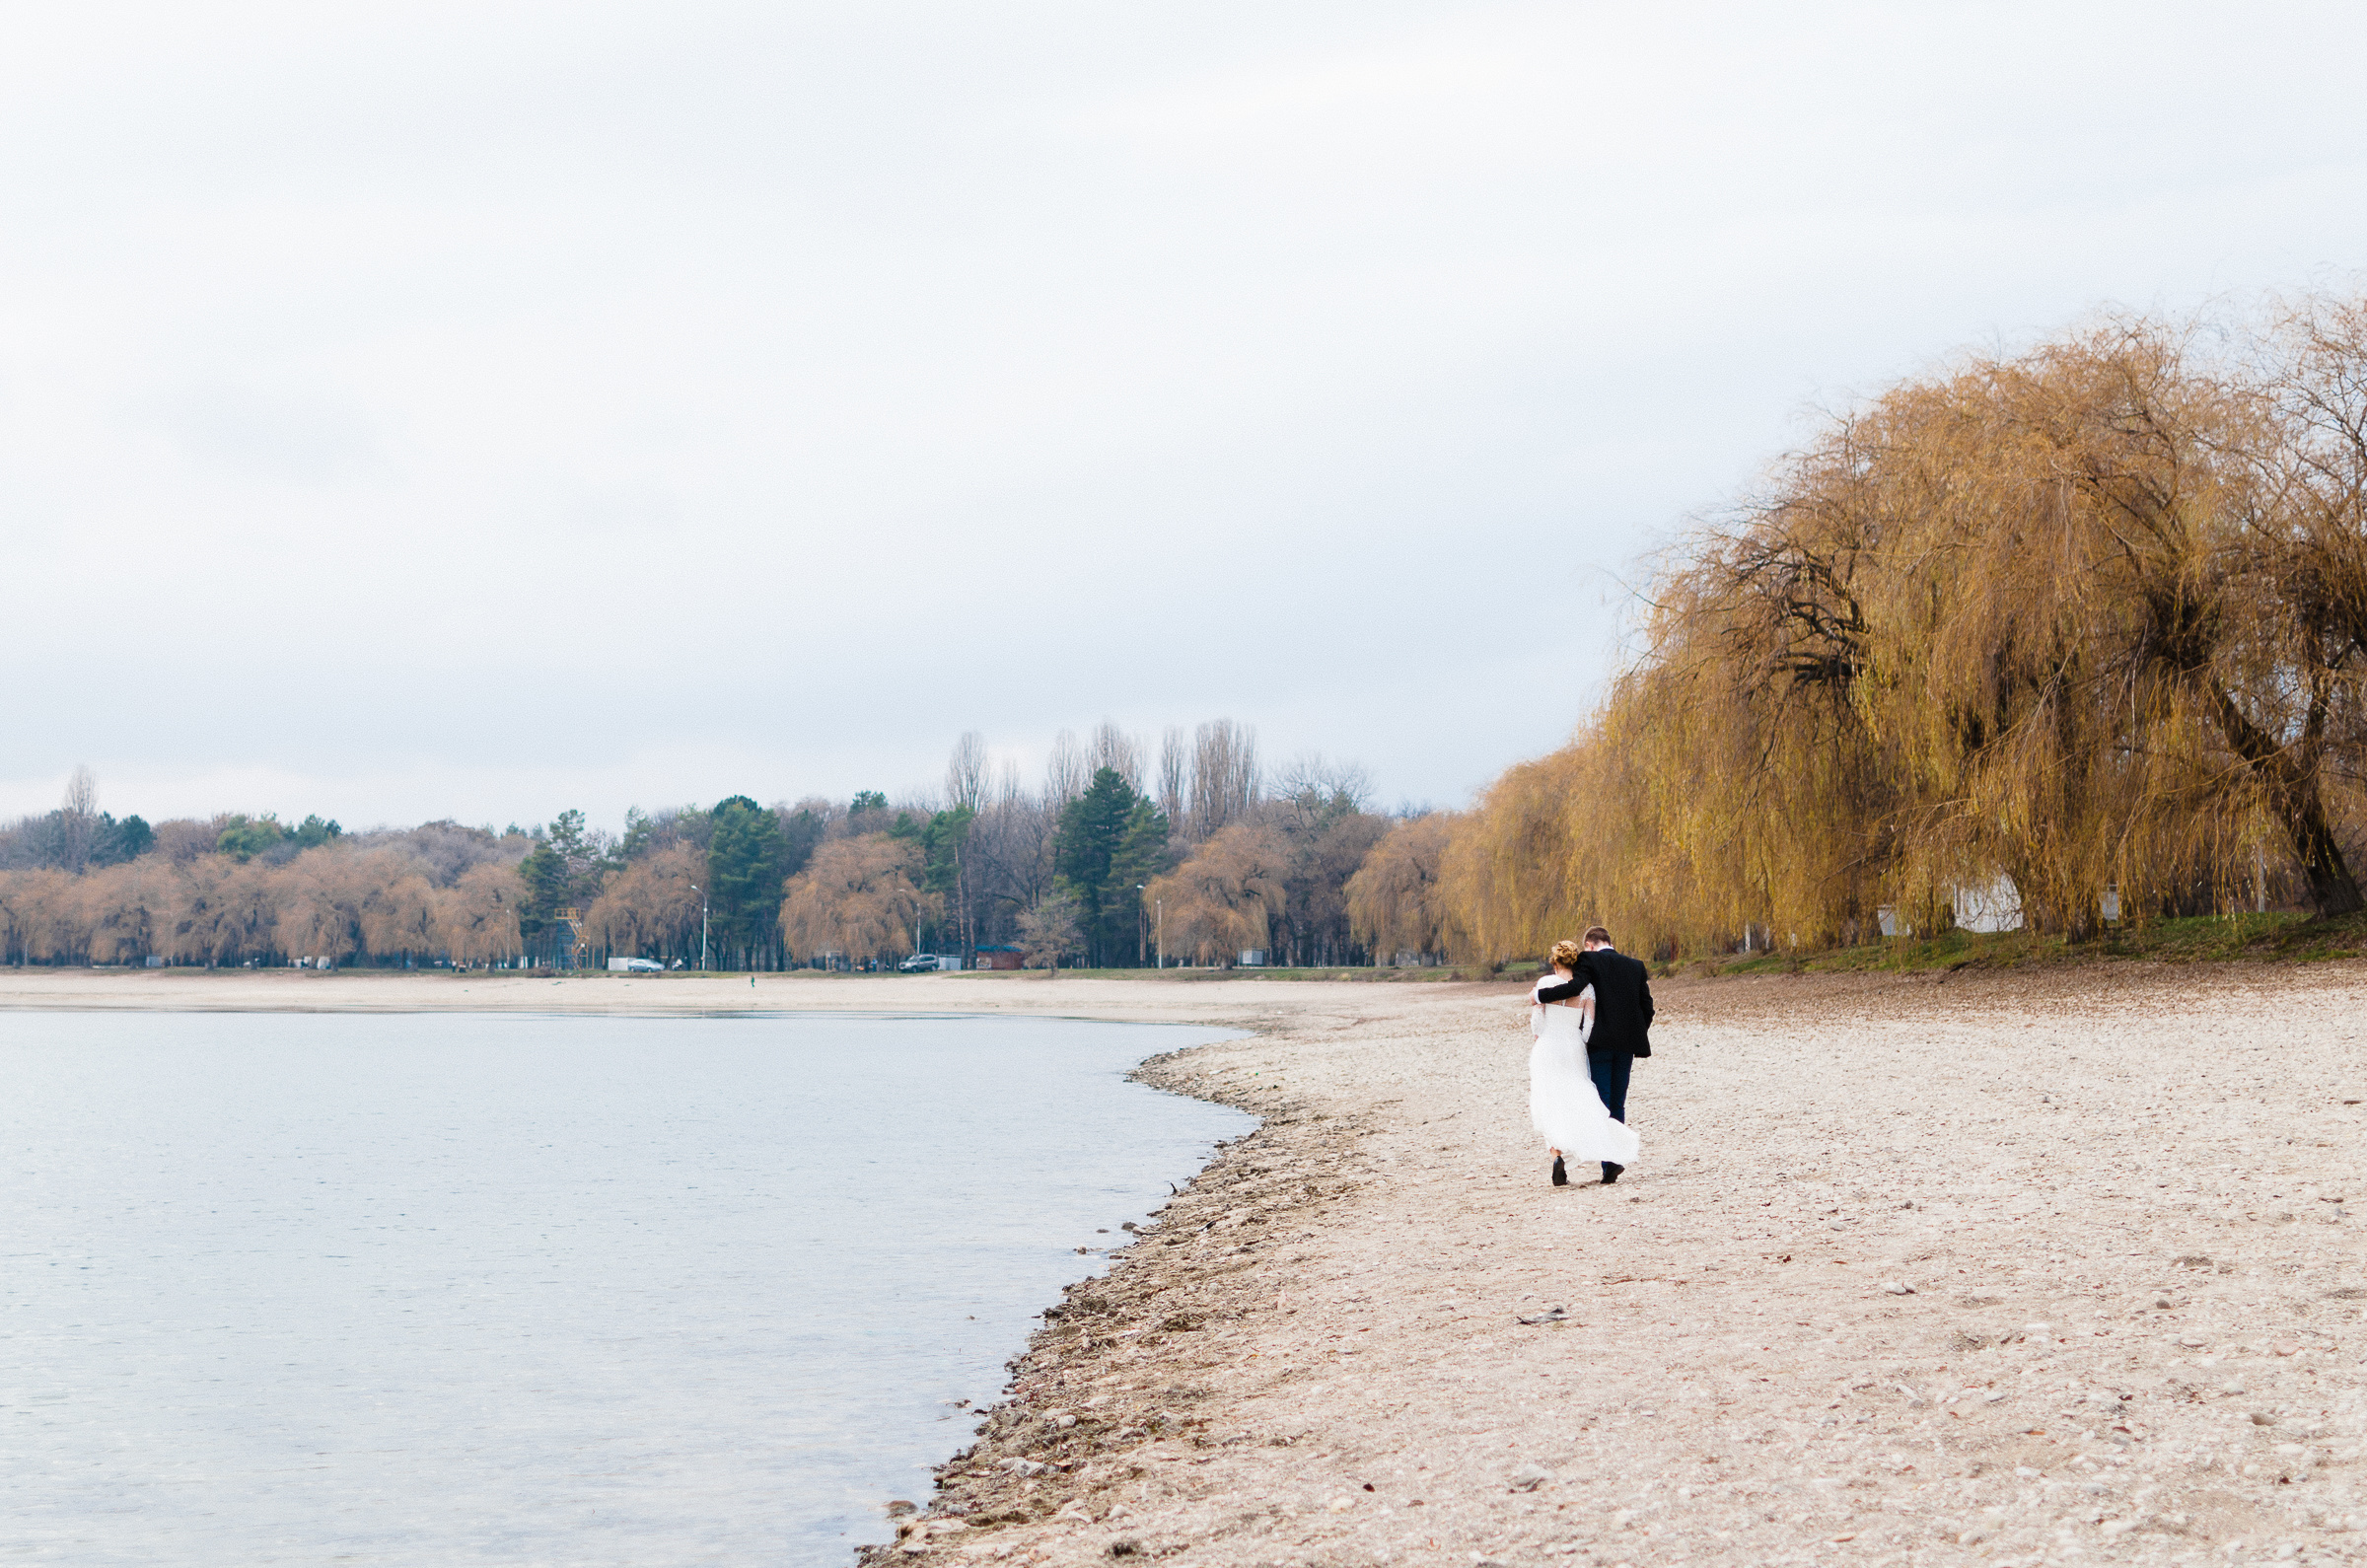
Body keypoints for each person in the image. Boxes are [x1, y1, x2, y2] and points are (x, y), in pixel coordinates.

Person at [1534, 925, 1653, 1183]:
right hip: (1626, 1046)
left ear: (1589, 944)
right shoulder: (1635, 965)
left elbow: (1573, 987)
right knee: (1618, 1102)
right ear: (1609, 940)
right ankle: (1612, 1163)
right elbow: (1648, 1008)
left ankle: (1606, 1159)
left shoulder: (1589, 960)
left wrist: (1539, 996)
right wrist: (1634, 1033)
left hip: (1599, 1044)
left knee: (1602, 1101)